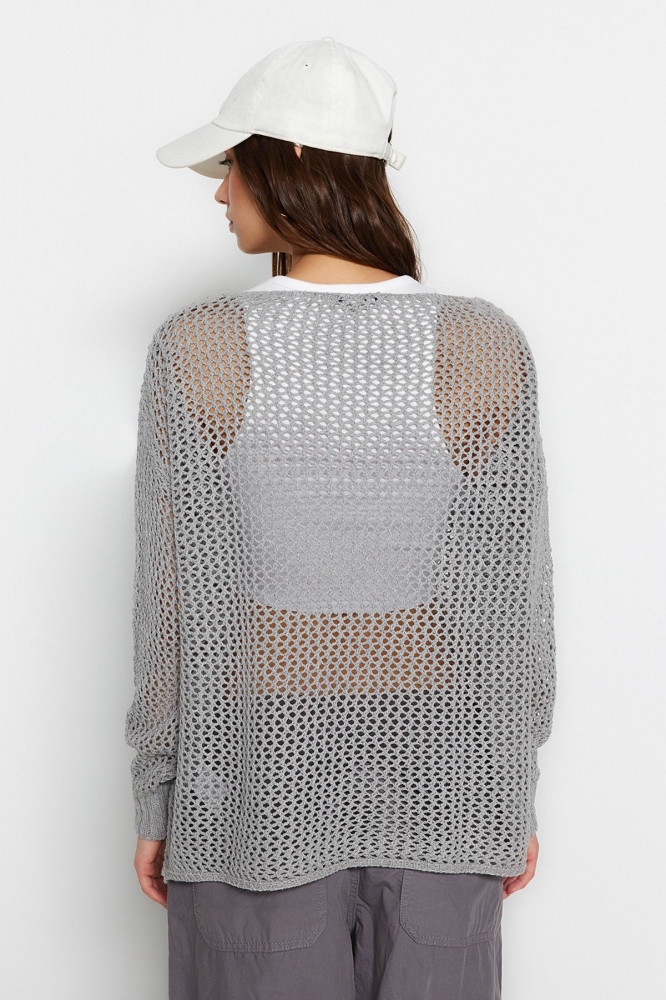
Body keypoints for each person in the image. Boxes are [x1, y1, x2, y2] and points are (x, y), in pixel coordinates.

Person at [125, 37, 556, 1000]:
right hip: (448, 781)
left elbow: (172, 603)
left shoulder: (201, 346)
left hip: (251, 789)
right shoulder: (483, 344)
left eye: (230, 164)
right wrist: (508, 792)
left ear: (292, 159)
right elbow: (513, 608)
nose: (219, 192)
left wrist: (158, 797)